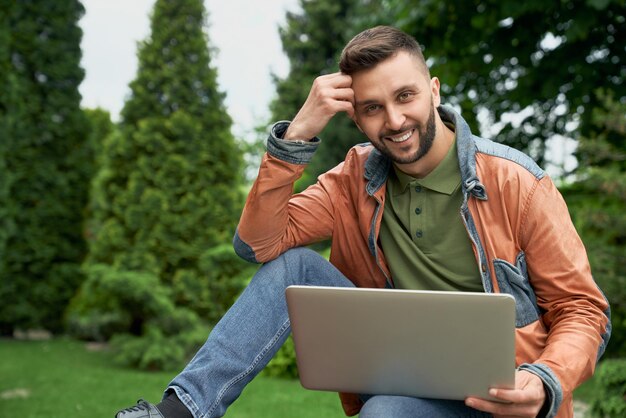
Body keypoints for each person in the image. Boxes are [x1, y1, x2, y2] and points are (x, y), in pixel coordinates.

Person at [115, 26, 611, 418]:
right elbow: (258, 245)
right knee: (300, 278)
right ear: (356, 118)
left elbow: (583, 310)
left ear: (433, 91)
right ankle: (180, 412)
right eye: (372, 108)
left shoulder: (517, 182)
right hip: (413, 387)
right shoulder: (353, 178)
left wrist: (545, 379)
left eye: (405, 97)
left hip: (507, 396)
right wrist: (296, 137)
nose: (393, 121)